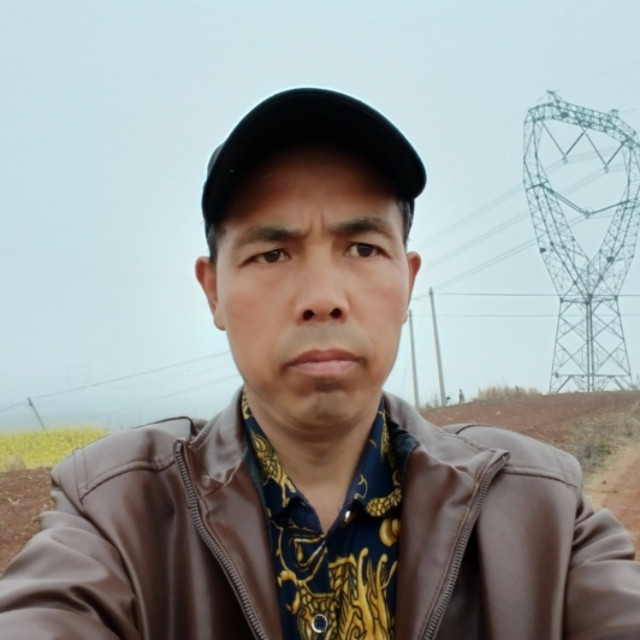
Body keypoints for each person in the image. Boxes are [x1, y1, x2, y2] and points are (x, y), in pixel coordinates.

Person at [1, 88, 639, 640]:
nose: (323, 298)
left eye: (362, 248)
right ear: (213, 290)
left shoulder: (540, 510)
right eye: (272, 254)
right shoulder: (117, 513)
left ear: (408, 281)